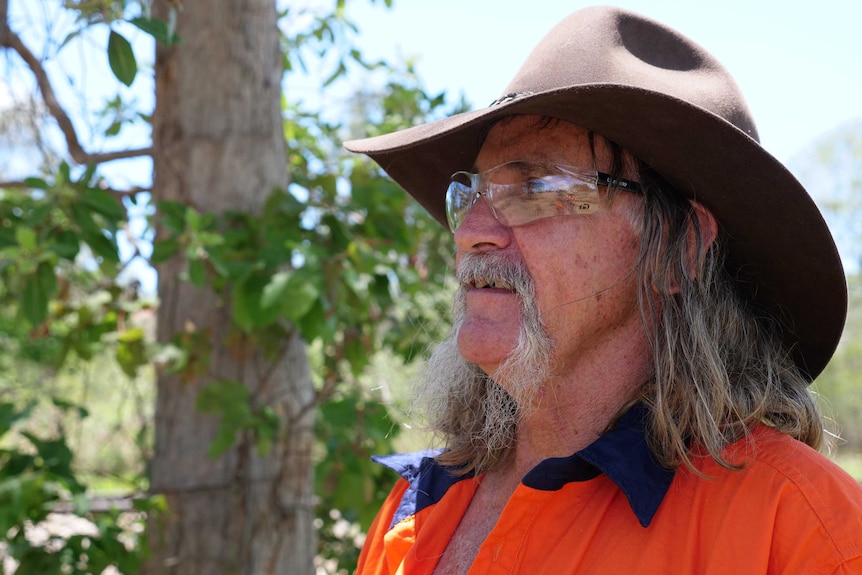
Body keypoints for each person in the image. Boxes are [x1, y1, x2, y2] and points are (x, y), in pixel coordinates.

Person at [344, 6, 862, 574]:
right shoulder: (415, 510)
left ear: (678, 248)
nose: (471, 232)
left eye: (535, 186)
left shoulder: (800, 530)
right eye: (469, 195)